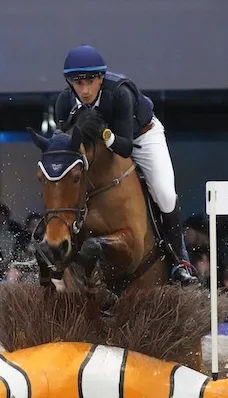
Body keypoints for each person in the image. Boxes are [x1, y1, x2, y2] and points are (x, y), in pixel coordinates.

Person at [54, 44, 197, 286]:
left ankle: (179, 263)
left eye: (90, 81)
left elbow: (125, 147)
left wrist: (103, 133)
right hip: (101, 146)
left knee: (164, 195)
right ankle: (55, 250)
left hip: (141, 138)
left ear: (101, 78)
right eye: (78, 83)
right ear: (70, 83)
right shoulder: (64, 101)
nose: (85, 89)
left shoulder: (120, 92)